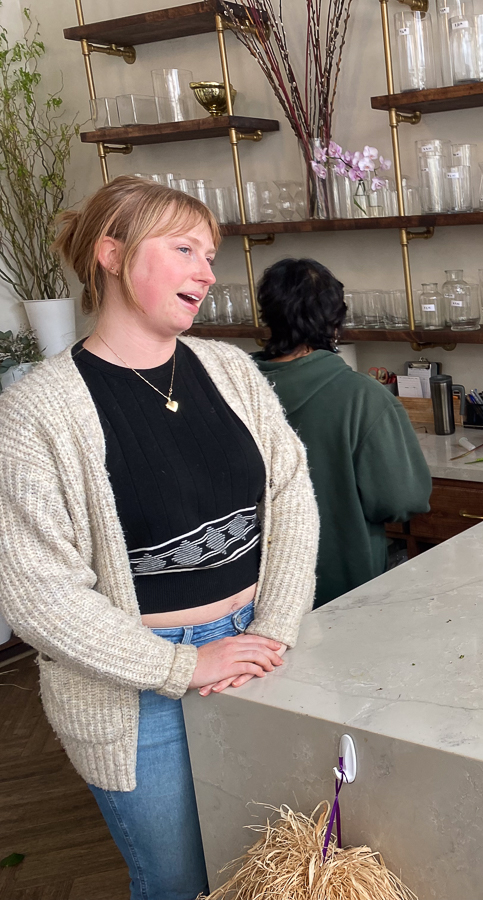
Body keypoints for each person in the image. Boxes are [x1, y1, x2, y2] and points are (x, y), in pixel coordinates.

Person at [0, 176, 319, 900]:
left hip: (260, 650)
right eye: (184, 249)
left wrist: (273, 627)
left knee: (264, 868)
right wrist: (183, 668)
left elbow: (291, 493)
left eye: (210, 254)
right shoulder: (36, 411)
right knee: (178, 882)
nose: (207, 271)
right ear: (111, 254)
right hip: (137, 692)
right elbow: (39, 596)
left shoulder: (231, 369)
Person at [253, 258, 431, 607]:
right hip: (341, 586)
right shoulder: (361, 396)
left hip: (248, 589)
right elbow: (402, 498)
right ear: (336, 322)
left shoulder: (231, 385)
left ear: (268, 316)